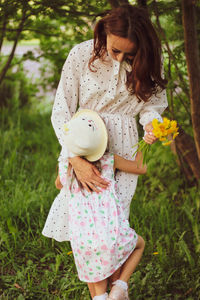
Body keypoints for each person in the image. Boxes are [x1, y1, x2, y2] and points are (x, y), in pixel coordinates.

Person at [43, 3, 168, 299]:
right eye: (115, 51)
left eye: (130, 55)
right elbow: (61, 111)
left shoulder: (150, 60)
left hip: (122, 144)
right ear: (104, 33)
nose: (121, 59)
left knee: (115, 225)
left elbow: (153, 104)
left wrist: (152, 124)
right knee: (87, 230)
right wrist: (74, 157)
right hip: (83, 142)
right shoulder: (80, 55)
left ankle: (118, 289)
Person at [43, 109, 146, 300]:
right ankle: (120, 287)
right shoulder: (109, 161)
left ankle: (105, 295)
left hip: (82, 241)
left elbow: (58, 184)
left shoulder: (68, 165)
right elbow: (141, 167)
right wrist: (144, 143)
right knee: (140, 245)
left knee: (97, 293)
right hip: (110, 233)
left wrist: (65, 162)